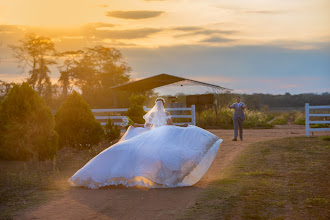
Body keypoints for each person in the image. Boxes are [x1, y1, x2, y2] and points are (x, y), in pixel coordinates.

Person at [68, 97, 223, 189]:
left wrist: (137, 125)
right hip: (162, 133)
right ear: (162, 105)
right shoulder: (165, 114)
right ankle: (165, 177)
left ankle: (163, 176)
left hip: (157, 133)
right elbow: (166, 126)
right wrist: (180, 127)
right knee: (167, 153)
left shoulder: (155, 114)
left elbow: (149, 126)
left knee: (157, 153)